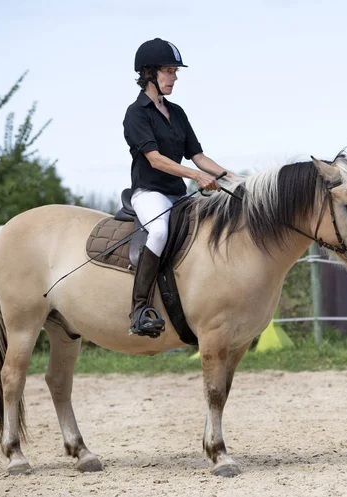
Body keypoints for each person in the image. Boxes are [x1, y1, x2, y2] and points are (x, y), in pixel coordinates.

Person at [123, 37, 229, 337]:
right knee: (158, 231)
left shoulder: (177, 112)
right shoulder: (136, 114)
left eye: (174, 72)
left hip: (178, 194)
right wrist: (195, 177)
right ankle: (140, 309)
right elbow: (155, 160)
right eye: (169, 71)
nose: (174, 77)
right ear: (148, 74)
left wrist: (232, 178)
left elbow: (198, 156)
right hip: (150, 192)